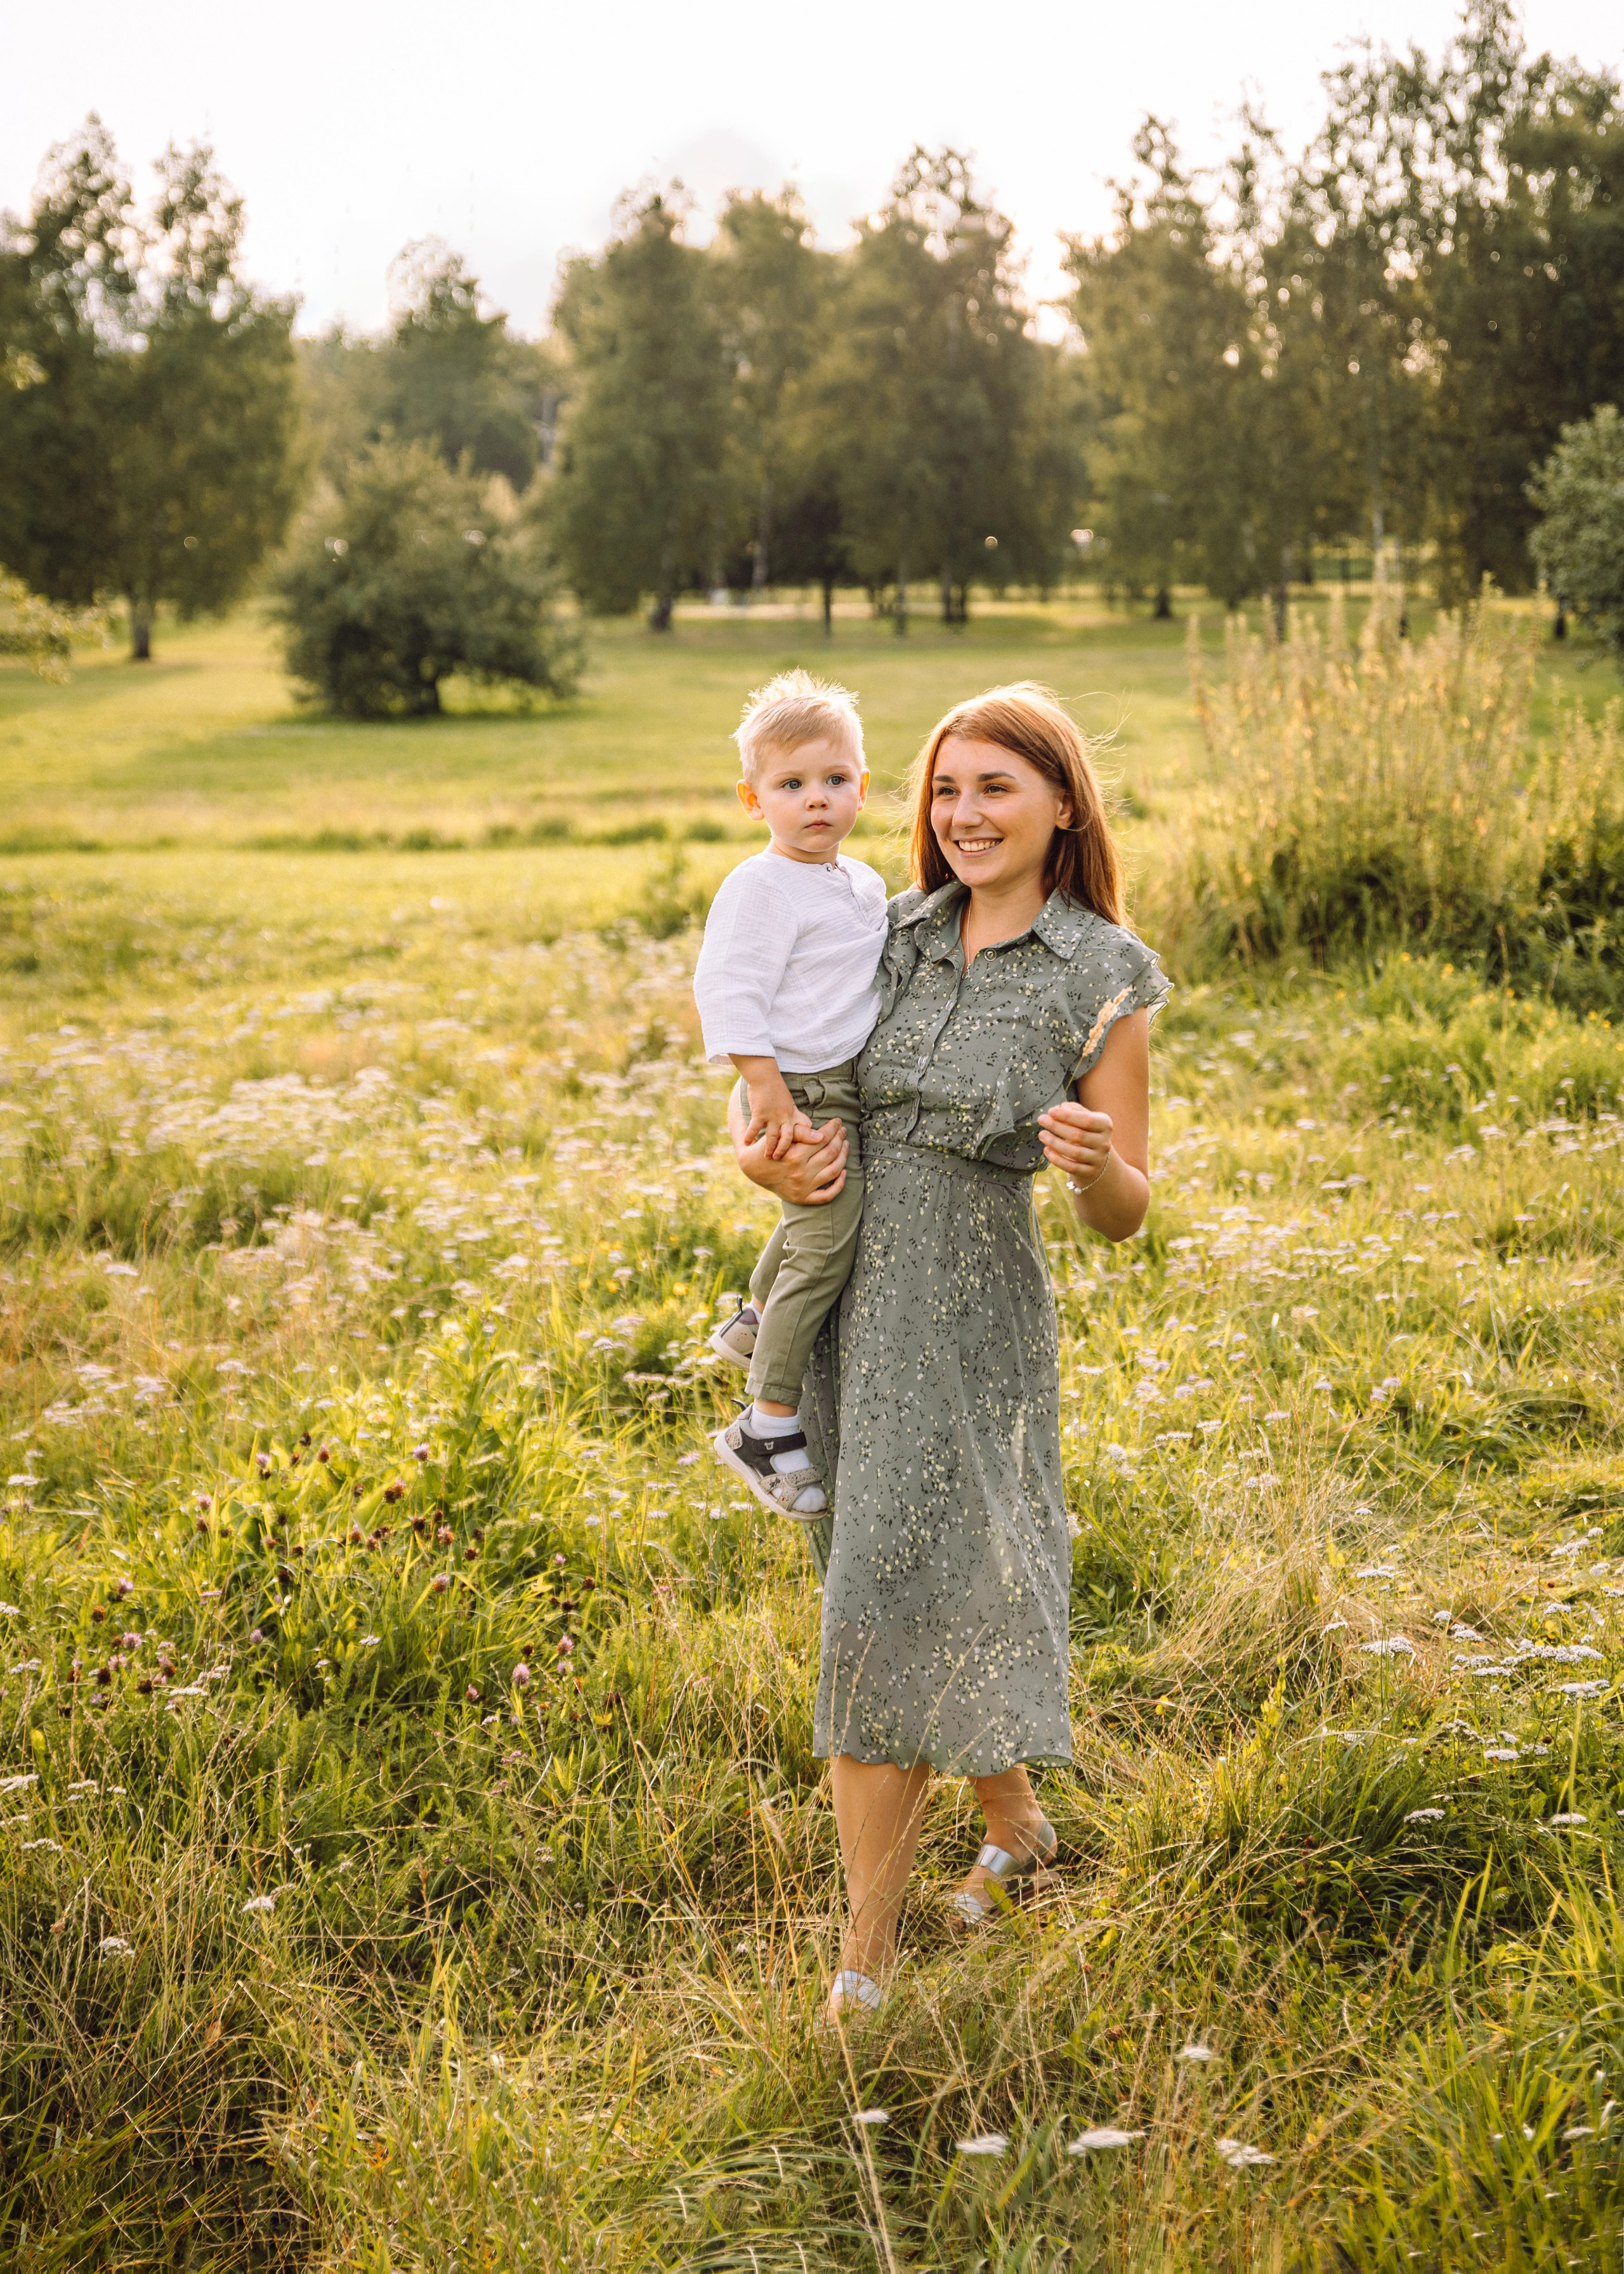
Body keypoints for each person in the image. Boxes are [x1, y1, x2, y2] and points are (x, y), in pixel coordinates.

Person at [726, 681, 1168, 2020]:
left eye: (994, 788)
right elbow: (794, 1094)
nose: (961, 814)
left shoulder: (1103, 974)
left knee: (887, 1595)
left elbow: (1124, 1212)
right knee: (910, 1568)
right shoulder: (886, 927)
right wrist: (767, 1162)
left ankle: (859, 1963)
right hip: (851, 1304)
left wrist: (1094, 1169)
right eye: (944, 788)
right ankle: (1018, 1827)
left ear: (1059, 804)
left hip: (973, 1320)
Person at [692, 671, 889, 1519]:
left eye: (835, 780)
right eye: (792, 785)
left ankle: (755, 1316)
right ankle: (766, 1423)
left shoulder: (862, 883)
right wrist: (764, 1090)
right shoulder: (760, 886)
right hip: (793, 1084)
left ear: (862, 786)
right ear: (753, 798)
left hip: (831, 1082)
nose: (818, 801)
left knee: (815, 1222)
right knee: (827, 1239)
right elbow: (727, 990)